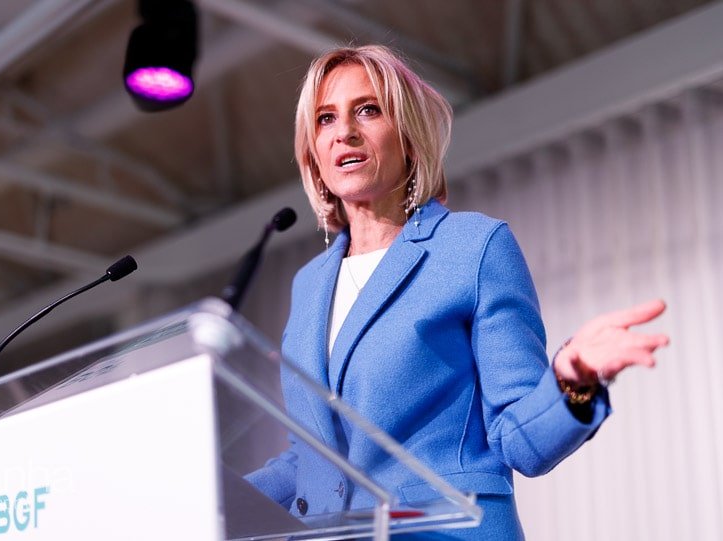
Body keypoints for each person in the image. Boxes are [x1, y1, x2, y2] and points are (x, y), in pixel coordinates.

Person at [246, 45, 669, 539]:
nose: (345, 131)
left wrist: (570, 380)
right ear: (314, 157)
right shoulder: (309, 284)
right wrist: (199, 496)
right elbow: (312, 462)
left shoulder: (474, 248)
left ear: (408, 136)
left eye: (368, 109)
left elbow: (519, 441)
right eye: (325, 119)